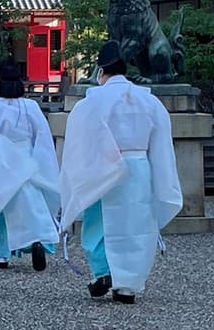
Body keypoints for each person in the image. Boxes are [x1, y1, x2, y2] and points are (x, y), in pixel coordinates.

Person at [60, 40, 182, 304]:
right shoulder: (148, 101)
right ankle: (127, 284)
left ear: (101, 70)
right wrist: (161, 179)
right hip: (138, 166)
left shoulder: (92, 102)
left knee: (98, 222)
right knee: (136, 224)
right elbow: (161, 145)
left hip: (103, 165)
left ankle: (103, 271)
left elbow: (80, 141)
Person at [0, 58, 60, 271]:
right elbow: (42, 136)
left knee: (0, 208)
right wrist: (42, 163)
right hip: (28, 162)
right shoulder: (31, 107)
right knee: (34, 208)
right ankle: (37, 241)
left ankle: (1, 255)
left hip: (3, 163)